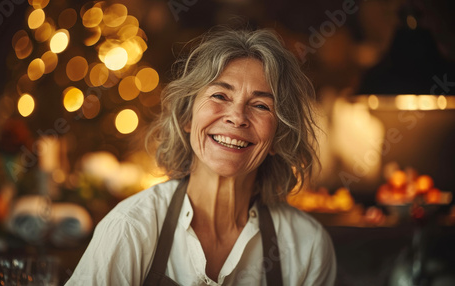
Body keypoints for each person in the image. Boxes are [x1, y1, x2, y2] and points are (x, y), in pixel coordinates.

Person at [66, 27, 336, 286]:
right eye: (220, 95)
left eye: (261, 105)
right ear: (187, 117)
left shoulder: (307, 246)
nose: (237, 117)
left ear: (279, 137)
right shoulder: (129, 228)